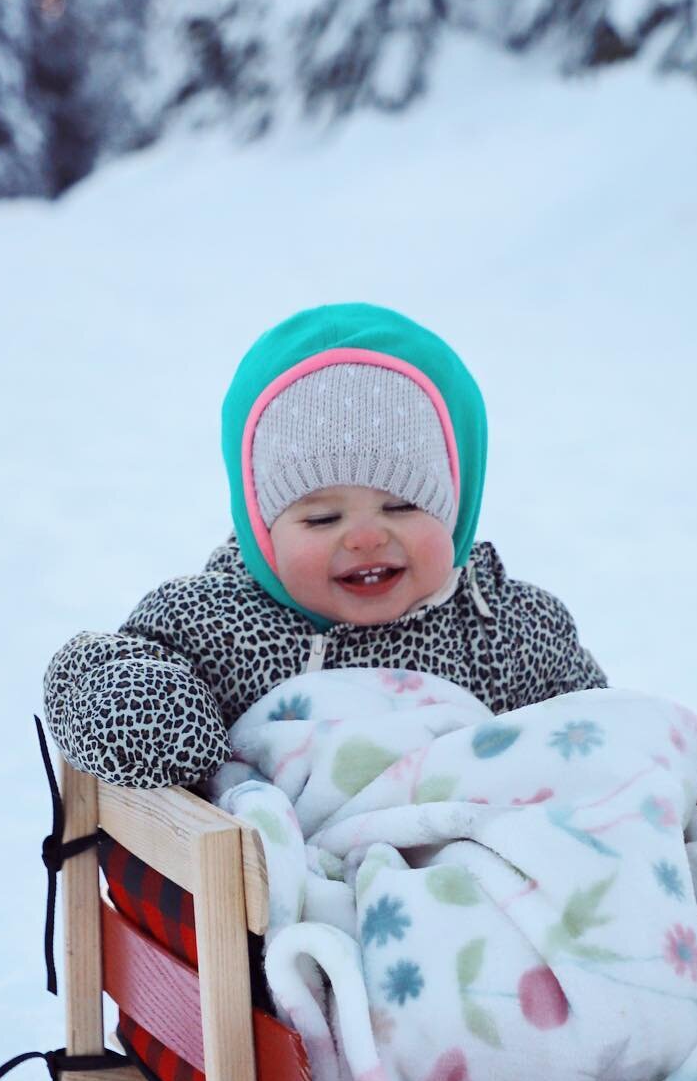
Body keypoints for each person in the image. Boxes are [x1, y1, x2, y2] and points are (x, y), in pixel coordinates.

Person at [43, 302, 607, 788]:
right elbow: (88, 671)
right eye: (322, 517)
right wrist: (140, 705)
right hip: (278, 893)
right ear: (262, 531)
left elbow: (603, 736)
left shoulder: (508, 630)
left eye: (403, 506)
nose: (365, 536)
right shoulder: (211, 624)